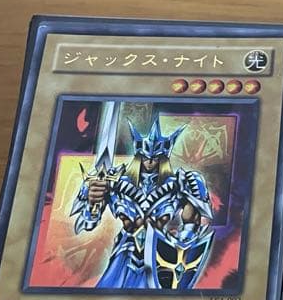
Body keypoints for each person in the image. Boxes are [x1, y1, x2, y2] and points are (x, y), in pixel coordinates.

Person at [70, 115, 213, 289]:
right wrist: (93, 202)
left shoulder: (180, 182)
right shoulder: (115, 180)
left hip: (157, 256)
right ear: (139, 155)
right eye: (145, 157)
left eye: (156, 157)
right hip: (125, 252)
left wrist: (179, 246)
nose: (150, 162)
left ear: (164, 157)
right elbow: (87, 223)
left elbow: (192, 222)